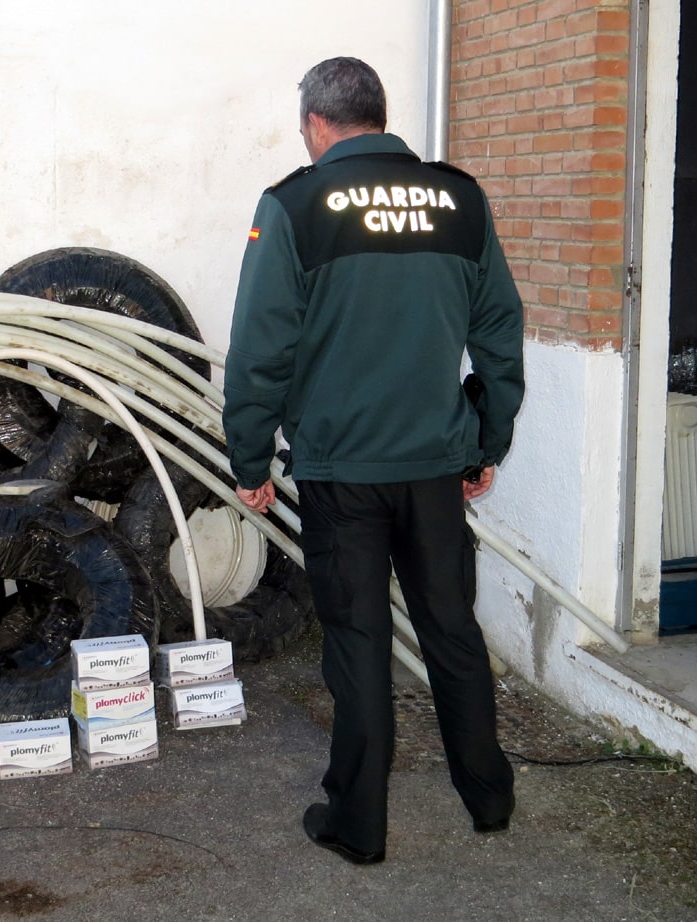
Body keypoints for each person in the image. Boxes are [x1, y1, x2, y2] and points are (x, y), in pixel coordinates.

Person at [222, 57, 524, 865]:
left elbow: (259, 349)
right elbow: (499, 328)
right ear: (380, 116)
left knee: (357, 638)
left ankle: (358, 824)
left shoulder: (294, 204)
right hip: (434, 464)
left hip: (341, 469)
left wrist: (248, 458)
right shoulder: (458, 198)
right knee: (451, 630)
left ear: (318, 125)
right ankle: (489, 799)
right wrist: (487, 437)